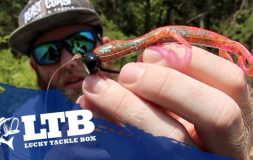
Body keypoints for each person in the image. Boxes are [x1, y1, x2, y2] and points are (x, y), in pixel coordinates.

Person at [7, 0, 252, 159]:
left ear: (106, 47)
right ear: (34, 66)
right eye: (47, 52)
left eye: (79, 43)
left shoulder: (165, 104)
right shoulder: (16, 131)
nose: (67, 59)